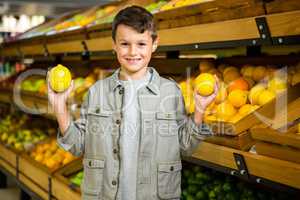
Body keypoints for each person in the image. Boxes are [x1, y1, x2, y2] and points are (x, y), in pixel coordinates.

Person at [47, 5, 219, 200]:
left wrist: (200, 109)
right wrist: (59, 107)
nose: (132, 52)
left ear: (154, 44)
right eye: (124, 44)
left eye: (141, 44)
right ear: (114, 45)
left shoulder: (169, 92)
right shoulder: (97, 92)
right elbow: (78, 146)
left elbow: (185, 146)